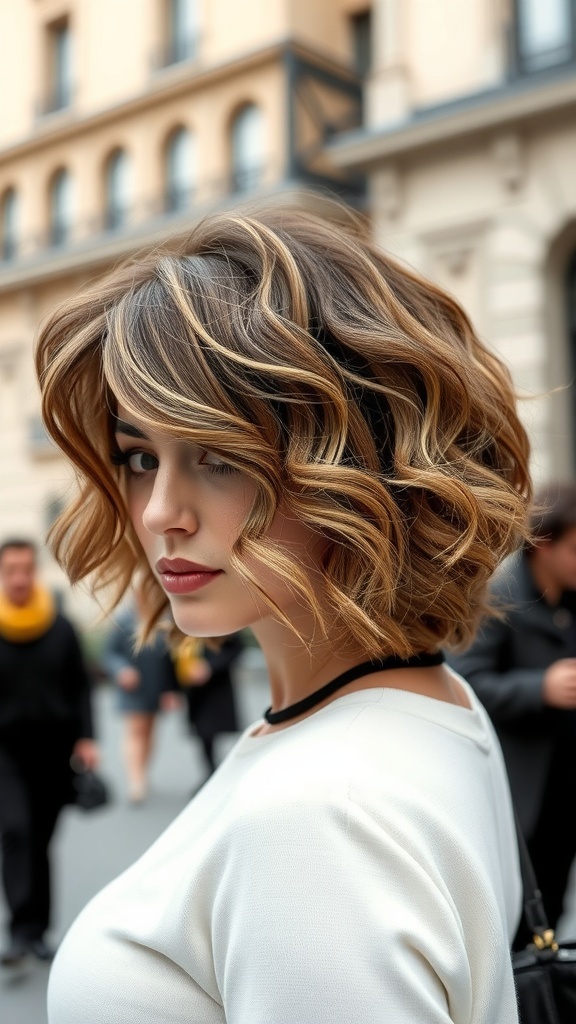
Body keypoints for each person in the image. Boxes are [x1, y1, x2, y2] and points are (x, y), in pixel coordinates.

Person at [36, 204, 531, 1023]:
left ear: (360, 463)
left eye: (218, 456)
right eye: (139, 456)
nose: (160, 511)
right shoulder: (432, 703)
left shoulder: (319, 819)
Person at [450, 481, 576, 945]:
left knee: (556, 903)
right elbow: (466, 682)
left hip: (564, 783)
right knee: (518, 915)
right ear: (544, 546)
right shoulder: (500, 594)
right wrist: (540, 687)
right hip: (522, 789)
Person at [0, 538, 98, 973]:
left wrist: (87, 738)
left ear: (34, 571)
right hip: (5, 753)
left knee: (40, 839)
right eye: (11, 571)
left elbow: (81, 686)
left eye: (26, 569)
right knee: (16, 831)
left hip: (54, 752)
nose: (19, 578)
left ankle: (37, 933)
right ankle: (21, 931)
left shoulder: (60, 628)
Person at [104, 588, 180, 803]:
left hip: (155, 685)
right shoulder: (123, 620)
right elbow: (109, 654)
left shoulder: (164, 619)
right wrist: (121, 669)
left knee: (149, 731)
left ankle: (143, 771)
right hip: (132, 687)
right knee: (136, 730)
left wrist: (170, 689)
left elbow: (169, 659)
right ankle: (135, 779)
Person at [175, 632, 243, 785]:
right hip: (193, 691)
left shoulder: (222, 625)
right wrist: (172, 688)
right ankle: (211, 773)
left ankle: (222, 775)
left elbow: (236, 649)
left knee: (217, 731)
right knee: (202, 734)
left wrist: (210, 667)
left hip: (217, 688)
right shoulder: (179, 627)